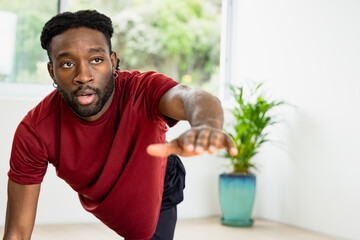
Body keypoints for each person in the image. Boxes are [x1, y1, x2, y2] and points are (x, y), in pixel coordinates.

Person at [3, 10, 237, 240]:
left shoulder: (141, 91)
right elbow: (17, 233)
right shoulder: (35, 132)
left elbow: (190, 96)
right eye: (66, 64)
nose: (83, 76)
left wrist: (207, 124)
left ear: (113, 61)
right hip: (114, 203)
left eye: (96, 60)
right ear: (52, 71)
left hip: (158, 177)